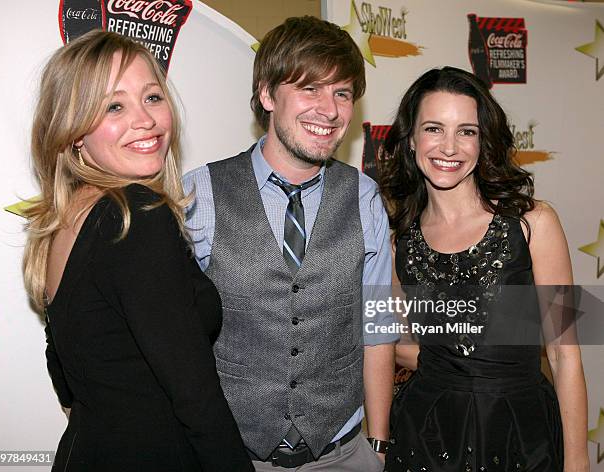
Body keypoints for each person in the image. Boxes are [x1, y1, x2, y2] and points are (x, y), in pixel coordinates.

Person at [22, 30, 254, 472]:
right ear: (73, 133)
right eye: (114, 105)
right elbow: (195, 395)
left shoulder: (65, 221)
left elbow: (67, 376)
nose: (145, 120)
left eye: (151, 97)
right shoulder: (135, 216)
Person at [182, 16, 396, 472]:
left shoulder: (365, 198)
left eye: (342, 93)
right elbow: (175, 339)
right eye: (310, 89)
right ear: (266, 94)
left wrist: (377, 446)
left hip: (343, 454)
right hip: (231, 455)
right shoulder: (199, 194)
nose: (330, 109)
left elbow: (377, 330)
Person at [378, 66, 589, 472]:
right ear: (410, 140)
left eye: (467, 131)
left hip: (520, 434)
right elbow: (396, 345)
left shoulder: (534, 224)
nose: (450, 147)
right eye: (434, 129)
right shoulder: (395, 241)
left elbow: (565, 355)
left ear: (484, 140)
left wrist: (577, 463)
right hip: (427, 434)